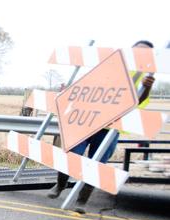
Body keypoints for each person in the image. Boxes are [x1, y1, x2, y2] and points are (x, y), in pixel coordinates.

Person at [47, 40, 157, 206]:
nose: (139, 55)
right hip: (88, 121)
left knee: (96, 165)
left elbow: (138, 102)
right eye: (137, 51)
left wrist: (146, 88)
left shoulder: (145, 78)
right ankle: (60, 185)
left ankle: (81, 201)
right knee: (71, 155)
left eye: (144, 53)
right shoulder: (113, 65)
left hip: (110, 128)